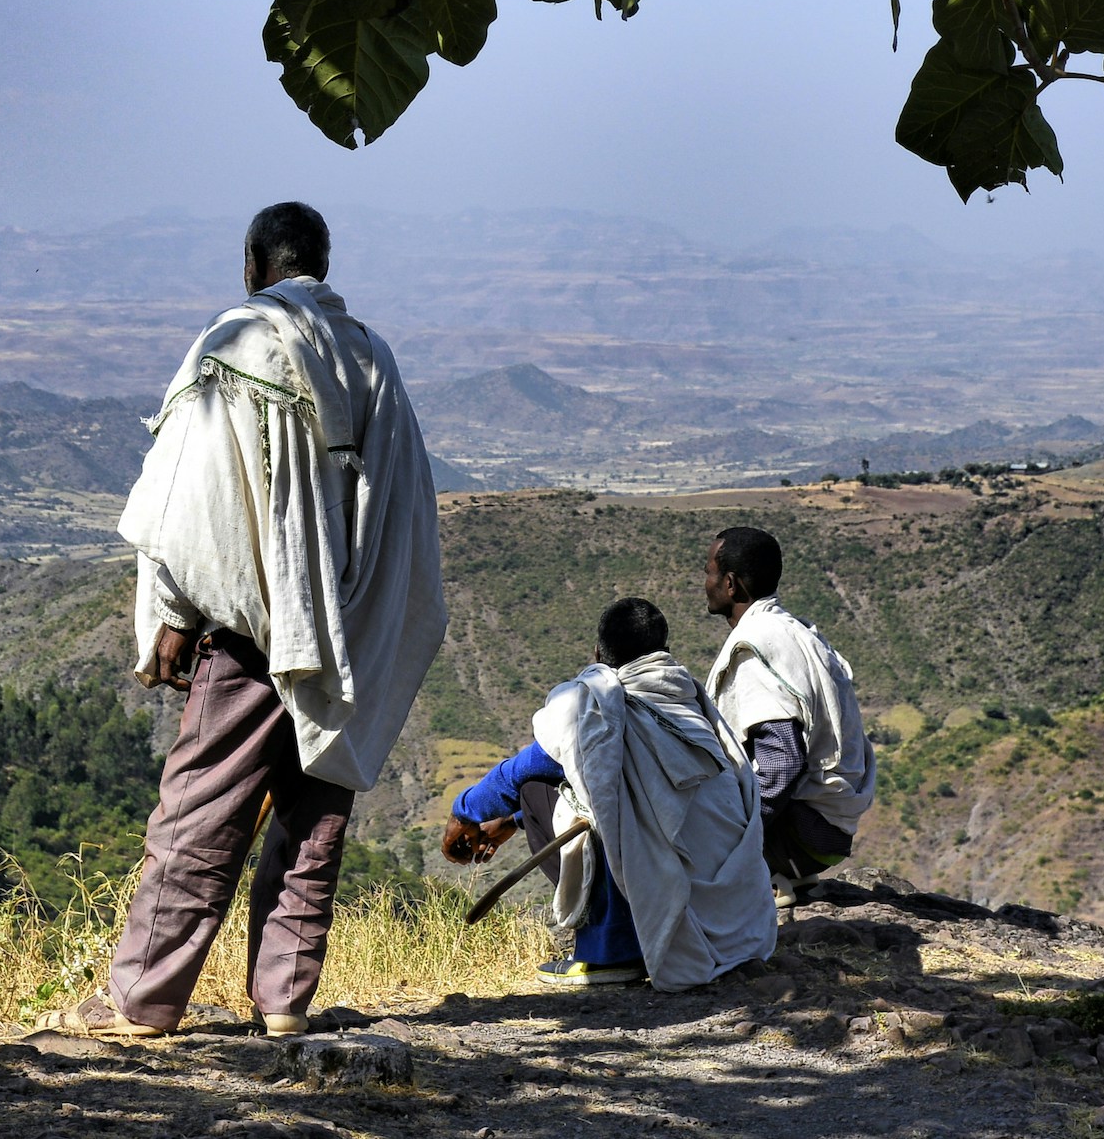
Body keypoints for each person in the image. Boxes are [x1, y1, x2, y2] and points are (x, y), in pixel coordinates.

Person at [50, 203, 447, 1039]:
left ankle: (144, 1002)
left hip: (253, 634)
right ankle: (284, 1005)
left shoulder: (236, 343)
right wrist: (366, 619)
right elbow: (405, 501)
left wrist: (170, 614)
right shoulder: (371, 357)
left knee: (200, 812)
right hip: (348, 627)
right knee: (312, 823)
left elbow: (188, 501)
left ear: (252, 263)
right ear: (324, 264)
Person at [440, 597, 776, 990]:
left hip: (673, 894)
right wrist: (510, 822)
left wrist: (464, 812)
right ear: (663, 653)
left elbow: (523, 773)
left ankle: (608, 952)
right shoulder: (691, 704)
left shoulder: (597, 706)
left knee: (534, 793)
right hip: (731, 915)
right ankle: (630, 939)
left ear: (598, 655)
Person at [701, 526, 874, 896]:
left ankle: (768, 876)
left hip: (804, 834)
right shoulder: (794, 630)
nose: (706, 581)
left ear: (731, 584)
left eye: (709, 572)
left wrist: (735, 843)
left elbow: (782, 762)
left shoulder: (755, 651)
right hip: (829, 828)